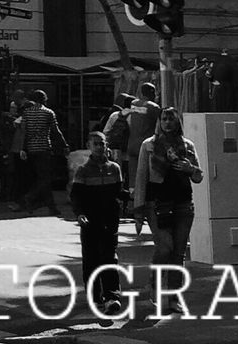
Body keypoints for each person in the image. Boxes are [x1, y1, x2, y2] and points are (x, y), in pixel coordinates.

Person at [132, 106, 203, 311]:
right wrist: (138, 210)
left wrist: (191, 168)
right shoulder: (150, 145)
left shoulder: (187, 145)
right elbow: (141, 178)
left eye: (171, 119)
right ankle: (154, 285)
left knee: (178, 253)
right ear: (159, 121)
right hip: (157, 205)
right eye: (164, 119)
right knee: (165, 248)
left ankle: (174, 297)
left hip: (183, 203)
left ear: (178, 122)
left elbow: (198, 177)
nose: (167, 123)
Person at [70, 130, 126, 315]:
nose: (100, 147)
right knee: (92, 259)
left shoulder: (114, 168)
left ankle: (112, 297)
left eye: (102, 143)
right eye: (96, 144)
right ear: (89, 146)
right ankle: (95, 297)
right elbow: (76, 196)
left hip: (110, 220)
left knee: (109, 258)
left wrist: (134, 197)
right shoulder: (83, 171)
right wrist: (79, 214)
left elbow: (119, 192)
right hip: (90, 221)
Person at [13, 89, 68, 216]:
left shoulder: (27, 113)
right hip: (44, 149)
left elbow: (24, 132)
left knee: (41, 177)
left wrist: (24, 148)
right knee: (46, 178)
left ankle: (51, 207)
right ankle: (30, 197)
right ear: (44, 100)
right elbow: (56, 131)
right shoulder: (48, 112)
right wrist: (64, 145)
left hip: (31, 149)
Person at [125, 84, 160, 235]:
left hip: (132, 144)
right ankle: (145, 210)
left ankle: (134, 210)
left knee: (134, 179)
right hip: (145, 147)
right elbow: (160, 126)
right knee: (146, 179)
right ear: (151, 93)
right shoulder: (153, 107)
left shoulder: (133, 105)